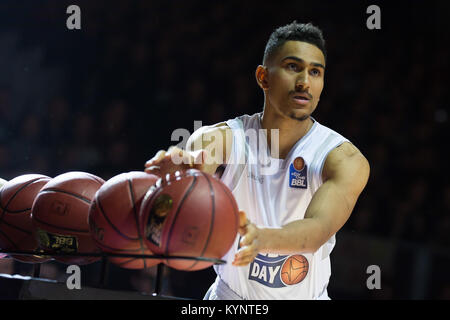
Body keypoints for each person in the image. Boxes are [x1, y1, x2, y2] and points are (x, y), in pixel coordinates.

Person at [144, 21, 370, 300]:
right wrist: (186, 172)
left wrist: (262, 238)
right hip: (231, 297)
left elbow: (318, 229)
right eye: (292, 67)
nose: (304, 82)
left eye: (315, 72)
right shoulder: (223, 138)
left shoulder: (343, 158)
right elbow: (202, 160)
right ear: (263, 77)